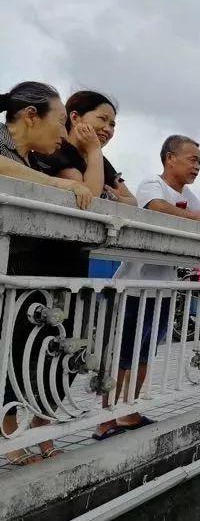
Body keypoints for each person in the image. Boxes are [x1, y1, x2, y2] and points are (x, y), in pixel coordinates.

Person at [94, 135, 200, 440]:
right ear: (169, 158)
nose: (197, 167)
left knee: (145, 351)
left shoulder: (189, 195)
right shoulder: (153, 183)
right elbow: (156, 207)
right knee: (122, 352)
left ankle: (128, 411)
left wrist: (197, 217)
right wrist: (194, 217)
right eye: (192, 159)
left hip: (162, 287)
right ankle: (105, 417)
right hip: (133, 287)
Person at [0, 82, 94, 465]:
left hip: (28, 268)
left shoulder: (32, 160)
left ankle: (29, 426)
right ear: (30, 116)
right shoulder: (14, 154)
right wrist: (56, 183)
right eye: (58, 121)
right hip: (13, 267)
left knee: (31, 346)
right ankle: (9, 433)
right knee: (8, 347)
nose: (61, 133)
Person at [34, 91, 136, 205]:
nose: (108, 129)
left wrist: (117, 198)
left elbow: (133, 201)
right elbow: (90, 197)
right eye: (102, 118)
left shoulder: (100, 160)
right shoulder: (56, 150)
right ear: (75, 117)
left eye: (112, 125)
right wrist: (94, 150)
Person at [0, 82, 92, 208]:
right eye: (61, 122)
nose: (65, 135)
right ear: (31, 116)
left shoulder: (35, 165)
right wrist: (55, 183)